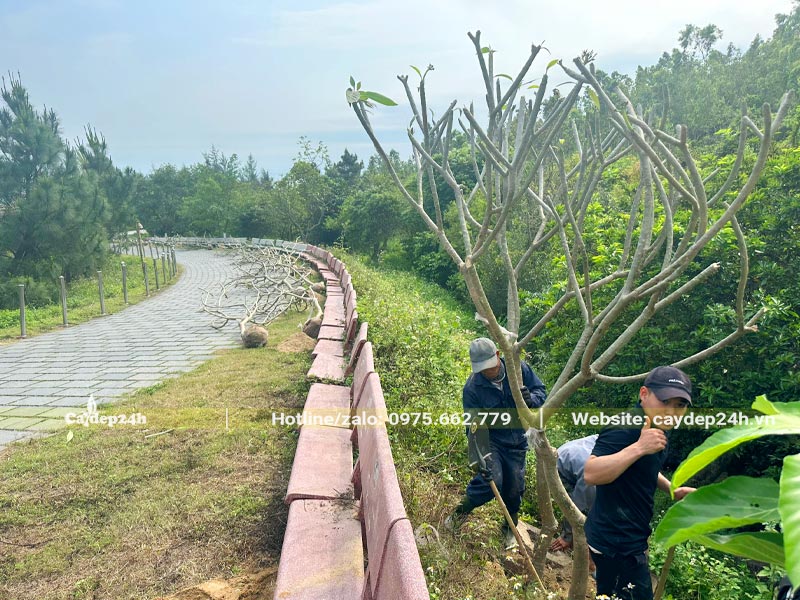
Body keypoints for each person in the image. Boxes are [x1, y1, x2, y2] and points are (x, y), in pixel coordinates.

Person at [583, 366, 697, 600]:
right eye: (665, 401)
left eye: (680, 405)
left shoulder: (657, 426)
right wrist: (638, 447)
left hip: (629, 537)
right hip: (615, 543)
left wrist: (671, 489)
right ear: (643, 394)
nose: (672, 411)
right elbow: (591, 473)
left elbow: (642, 469)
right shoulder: (626, 427)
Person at [445, 337, 547, 550]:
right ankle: (458, 515)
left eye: (489, 366)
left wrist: (531, 400)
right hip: (493, 441)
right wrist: (481, 457)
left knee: (514, 488)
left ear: (498, 356)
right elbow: (473, 426)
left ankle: (510, 527)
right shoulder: (473, 388)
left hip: (517, 441)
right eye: (481, 368)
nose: (487, 371)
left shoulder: (518, 370)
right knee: (490, 481)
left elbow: (541, 392)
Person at [549, 434, 599, 553]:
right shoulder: (593, 472)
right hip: (560, 468)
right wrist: (568, 535)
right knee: (583, 514)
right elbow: (579, 504)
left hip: (572, 458)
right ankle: (571, 542)